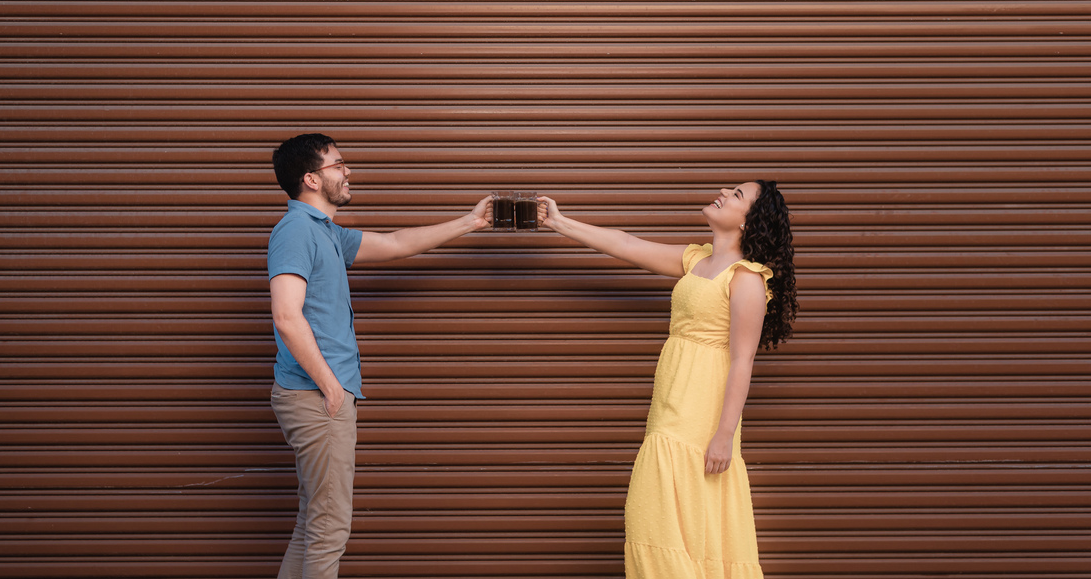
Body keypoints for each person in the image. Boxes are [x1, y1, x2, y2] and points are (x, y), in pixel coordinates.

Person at [538, 181, 798, 579]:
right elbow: (626, 245)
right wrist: (560, 223)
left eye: (738, 195)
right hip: (673, 401)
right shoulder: (699, 259)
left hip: (701, 414)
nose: (725, 191)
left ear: (749, 222)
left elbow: (743, 360)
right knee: (656, 521)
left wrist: (724, 434)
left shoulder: (745, 278)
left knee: (687, 522)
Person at [266, 133, 491, 579]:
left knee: (313, 524)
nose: (348, 171)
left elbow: (394, 244)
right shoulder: (295, 231)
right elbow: (287, 315)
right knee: (330, 529)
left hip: (317, 395)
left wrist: (469, 222)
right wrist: (331, 388)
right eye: (338, 165)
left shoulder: (324, 231)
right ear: (311, 178)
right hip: (316, 396)